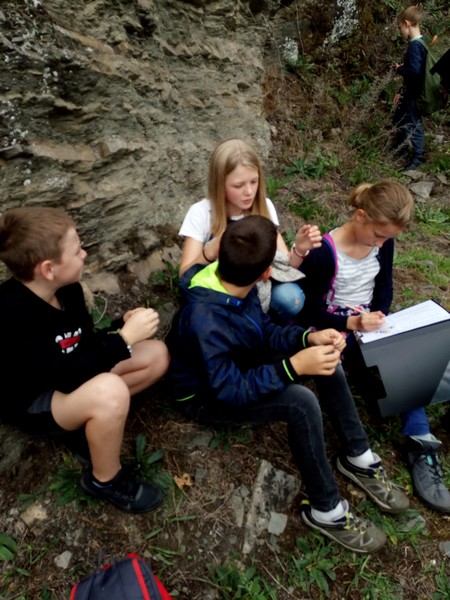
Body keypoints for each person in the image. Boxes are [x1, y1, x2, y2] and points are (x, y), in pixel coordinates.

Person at [168, 215, 409, 553]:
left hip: (238, 366)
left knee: (326, 359)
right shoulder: (204, 319)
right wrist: (292, 367)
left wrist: (307, 338)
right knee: (300, 401)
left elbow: (264, 331)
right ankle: (327, 509)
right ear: (267, 273)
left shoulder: (233, 280)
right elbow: (229, 389)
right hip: (206, 396)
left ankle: (358, 455)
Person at [0, 207, 170, 514]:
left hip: (71, 375)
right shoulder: (12, 315)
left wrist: (121, 326)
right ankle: (104, 479)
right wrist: (123, 341)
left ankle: (93, 421)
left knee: (156, 356)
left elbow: (82, 343)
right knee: (110, 391)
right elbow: (65, 377)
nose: (85, 253)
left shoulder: (68, 291)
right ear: (48, 268)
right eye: (77, 250)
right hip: (37, 400)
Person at [297, 181, 450, 513]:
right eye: (378, 236)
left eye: (388, 240)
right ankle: (403, 442)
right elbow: (306, 309)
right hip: (334, 328)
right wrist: (351, 324)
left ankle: (420, 435)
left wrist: (379, 315)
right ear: (361, 216)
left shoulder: (383, 243)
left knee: (420, 344)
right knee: (393, 361)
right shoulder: (324, 253)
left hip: (369, 326)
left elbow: (384, 287)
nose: (382, 244)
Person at [178, 138, 322, 323]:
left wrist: (300, 249)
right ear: (220, 184)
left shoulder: (264, 207)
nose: (249, 191)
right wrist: (214, 247)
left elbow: (284, 267)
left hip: (258, 286)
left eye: (254, 181)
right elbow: (185, 276)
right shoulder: (201, 212)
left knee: (290, 297)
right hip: (220, 293)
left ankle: (267, 330)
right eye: (238, 185)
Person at [392, 5, 427, 171]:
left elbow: (414, 72)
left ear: (406, 23)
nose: (400, 31)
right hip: (411, 92)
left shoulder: (414, 46)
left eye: (400, 27)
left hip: (414, 94)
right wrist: (401, 92)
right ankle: (399, 148)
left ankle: (417, 158)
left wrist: (399, 69)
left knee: (414, 124)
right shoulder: (422, 42)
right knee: (399, 118)